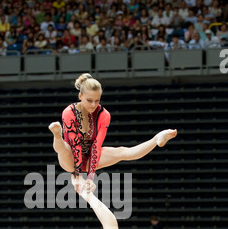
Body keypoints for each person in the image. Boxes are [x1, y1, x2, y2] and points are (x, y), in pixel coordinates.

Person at [49, 73, 177, 193]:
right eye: (89, 100)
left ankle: (156, 139)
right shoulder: (69, 112)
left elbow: (96, 146)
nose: (93, 105)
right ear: (80, 96)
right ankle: (57, 135)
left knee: (121, 151)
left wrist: (90, 178)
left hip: (89, 156)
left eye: (97, 100)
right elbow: (76, 145)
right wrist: (79, 177)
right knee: (64, 149)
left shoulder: (104, 115)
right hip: (70, 157)